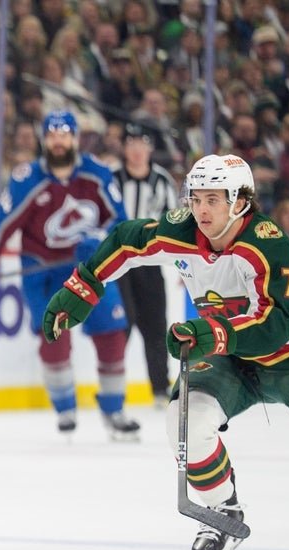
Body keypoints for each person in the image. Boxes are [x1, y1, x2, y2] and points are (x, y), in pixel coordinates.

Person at [42, 153, 289, 550]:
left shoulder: (267, 242)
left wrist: (212, 332)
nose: (201, 209)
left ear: (240, 201)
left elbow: (276, 324)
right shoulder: (182, 230)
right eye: (196, 198)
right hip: (229, 357)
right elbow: (127, 240)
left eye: (213, 199)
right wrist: (84, 286)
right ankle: (222, 512)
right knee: (184, 421)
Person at [0, 109, 140, 440]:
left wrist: (100, 240)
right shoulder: (26, 179)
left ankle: (114, 410)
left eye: (64, 135)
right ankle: (65, 406)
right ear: (44, 140)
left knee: (112, 334)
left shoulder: (97, 173)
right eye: (52, 136)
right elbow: (1, 224)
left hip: (90, 270)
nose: (58, 142)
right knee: (54, 337)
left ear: (75, 139)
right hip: (43, 271)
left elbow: (121, 221)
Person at [112, 123, 179, 407]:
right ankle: (113, 387)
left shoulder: (162, 180)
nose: (137, 150)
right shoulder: (112, 179)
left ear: (150, 148)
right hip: (117, 263)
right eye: (131, 143)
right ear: (124, 148)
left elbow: (175, 222)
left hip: (150, 263)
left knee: (155, 325)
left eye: (142, 143)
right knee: (120, 324)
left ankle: (160, 389)